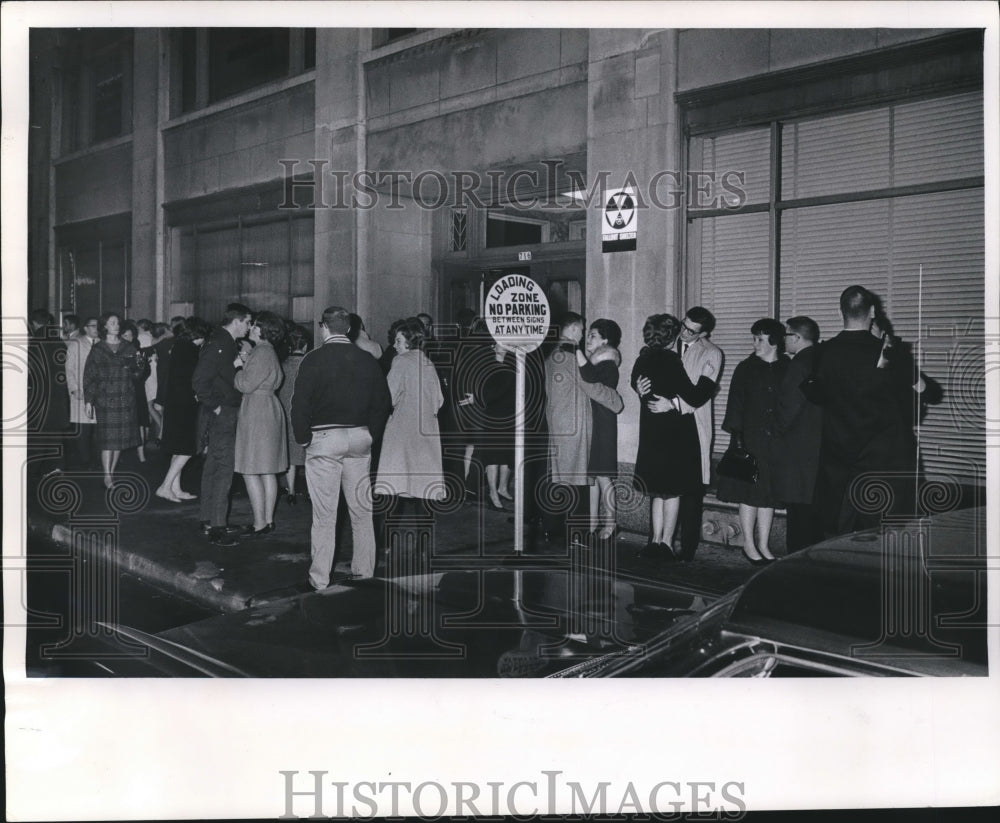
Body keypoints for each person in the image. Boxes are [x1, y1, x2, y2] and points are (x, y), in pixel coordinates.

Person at [291, 306, 392, 588]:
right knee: (362, 511)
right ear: (349, 329)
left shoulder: (313, 360)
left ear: (323, 327)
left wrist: (303, 438)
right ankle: (365, 574)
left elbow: (300, 404)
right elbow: (383, 403)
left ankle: (320, 579)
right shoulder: (367, 360)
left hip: (324, 439)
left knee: (325, 514)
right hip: (360, 437)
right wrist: (371, 434)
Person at [814, 286, 912, 536]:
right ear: (872, 312)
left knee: (837, 532)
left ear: (840, 313)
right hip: (882, 458)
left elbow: (815, 398)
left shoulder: (821, 353)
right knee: (881, 533)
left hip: (838, 457)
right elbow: (922, 393)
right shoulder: (886, 353)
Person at [631, 314, 717, 562]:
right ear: (672, 337)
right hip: (675, 435)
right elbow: (693, 395)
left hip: (651, 432)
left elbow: (636, 383)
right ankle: (667, 544)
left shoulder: (642, 358)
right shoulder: (671, 361)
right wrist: (708, 382)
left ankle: (655, 541)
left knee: (658, 492)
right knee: (673, 492)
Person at [545, 312, 624, 543]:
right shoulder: (572, 358)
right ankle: (578, 533)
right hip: (578, 424)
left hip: (573, 422)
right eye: (583, 331)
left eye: (591, 334)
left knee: (572, 478)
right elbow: (591, 387)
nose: (584, 336)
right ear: (572, 330)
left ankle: (575, 528)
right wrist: (617, 401)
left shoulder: (552, 355)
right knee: (579, 480)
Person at [716, 319, 788, 564]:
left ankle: (764, 546)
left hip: (776, 441)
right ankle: (748, 544)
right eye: (754, 338)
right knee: (749, 494)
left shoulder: (787, 367)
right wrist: (737, 438)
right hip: (749, 440)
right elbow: (735, 404)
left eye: (759, 339)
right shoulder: (745, 368)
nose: (755, 344)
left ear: (774, 341)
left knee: (768, 495)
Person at [376, 317, 446, 554]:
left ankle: (385, 545)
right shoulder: (428, 363)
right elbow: (439, 401)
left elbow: (387, 397)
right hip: (427, 431)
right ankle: (423, 547)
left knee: (393, 489)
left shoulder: (400, 361)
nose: (395, 345)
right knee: (423, 491)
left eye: (398, 340)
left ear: (409, 341)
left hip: (402, 432)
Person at [192, 303, 252, 547]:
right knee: (224, 468)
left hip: (221, 411)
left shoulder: (221, 340)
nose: (249, 328)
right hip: (223, 412)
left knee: (214, 466)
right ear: (237, 321)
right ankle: (218, 526)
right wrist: (215, 406)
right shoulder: (220, 343)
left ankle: (208, 518)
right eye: (248, 322)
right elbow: (199, 381)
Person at [675, 306, 724, 562]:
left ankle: (688, 548)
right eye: (683, 325)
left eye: (691, 331)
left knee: (691, 489)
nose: (683, 332)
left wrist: (672, 404)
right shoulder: (668, 344)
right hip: (666, 425)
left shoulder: (712, 354)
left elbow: (700, 394)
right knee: (667, 486)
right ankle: (661, 541)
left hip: (693, 425)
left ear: (704, 333)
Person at [234, 311, 288, 536]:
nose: (252, 328)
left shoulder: (261, 351)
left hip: (257, 410)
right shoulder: (269, 351)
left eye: (255, 325)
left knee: (251, 470)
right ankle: (267, 519)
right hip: (269, 408)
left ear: (263, 330)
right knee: (268, 470)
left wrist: (237, 367)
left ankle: (259, 523)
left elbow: (245, 385)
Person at [773, 316, 823, 553]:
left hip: (797, 451)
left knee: (798, 518)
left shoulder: (798, 365)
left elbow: (788, 407)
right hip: (819, 450)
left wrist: (775, 433)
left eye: (786, 335)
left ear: (796, 337)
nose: (783, 340)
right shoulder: (823, 359)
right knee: (814, 519)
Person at [82, 312, 144, 488]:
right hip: (105, 399)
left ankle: (112, 472)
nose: (116, 325)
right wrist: (89, 401)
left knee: (119, 441)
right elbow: (89, 377)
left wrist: (138, 366)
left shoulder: (129, 347)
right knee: (108, 439)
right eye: (112, 323)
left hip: (125, 399)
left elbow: (138, 375)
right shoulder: (98, 349)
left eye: (117, 322)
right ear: (105, 327)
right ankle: (107, 475)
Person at [576, 318, 623, 540]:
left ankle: (611, 524)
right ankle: (594, 522)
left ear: (605, 340)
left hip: (603, 423)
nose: (588, 340)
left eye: (593, 335)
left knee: (603, 477)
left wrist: (576, 353)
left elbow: (589, 378)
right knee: (592, 476)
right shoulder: (596, 362)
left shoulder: (606, 363)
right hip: (593, 421)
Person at [155, 317, 210, 502]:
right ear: (198, 334)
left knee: (179, 449)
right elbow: (193, 379)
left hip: (175, 404)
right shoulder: (190, 350)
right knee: (187, 449)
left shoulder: (179, 345)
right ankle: (165, 486)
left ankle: (175, 488)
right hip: (184, 405)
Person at [27, 309, 70, 479]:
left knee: (38, 434)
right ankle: (56, 466)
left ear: (34, 323)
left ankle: (31, 470)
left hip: (42, 393)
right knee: (55, 432)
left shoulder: (36, 340)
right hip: (58, 393)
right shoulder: (58, 340)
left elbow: (32, 369)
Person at [277, 324, 311, 504]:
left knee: (289, 455)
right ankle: (310, 492)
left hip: (285, 414)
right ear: (305, 346)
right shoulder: (310, 364)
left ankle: (290, 492)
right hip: (306, 415)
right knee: (309, 455)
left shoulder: (282, 365)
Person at [64, 316, 99, 470]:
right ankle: (85, 461)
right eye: (93, 326)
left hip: (99, 392)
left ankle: (99, 460)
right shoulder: (76, 343)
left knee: (98, 429)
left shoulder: (102, 343)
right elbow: (69, 368)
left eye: (98, 326)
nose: (97, 329)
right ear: (85, 328)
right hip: (81, 391)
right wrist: (74, 388)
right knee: (84, 429)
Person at [120, 321, 152, 463]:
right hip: (121, 390)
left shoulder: (137, 349)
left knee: (140, 422)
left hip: (137, 389)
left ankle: (141, 454)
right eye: (125, 335)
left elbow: (145, 371)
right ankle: (118, 454)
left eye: (131, 335)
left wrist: (139, 371)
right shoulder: (116, 350)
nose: (129, 338)